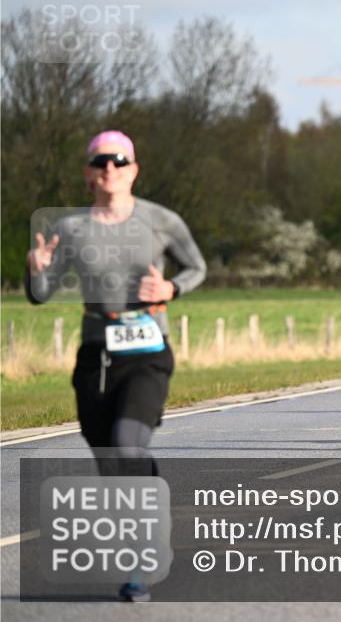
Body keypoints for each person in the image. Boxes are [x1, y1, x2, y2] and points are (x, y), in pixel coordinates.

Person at [26, 130, 207, 602]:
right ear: (88, 173)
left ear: (134, 168)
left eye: (120, 161)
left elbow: (196, 268)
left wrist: (171, 290)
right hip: (96, 356)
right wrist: (37, 270)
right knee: (111, 462)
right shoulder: (70, 227)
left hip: (147, 351)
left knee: (128, 445)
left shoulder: (161, 220)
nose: (111, 168)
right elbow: (40, 294)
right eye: (101, 161)